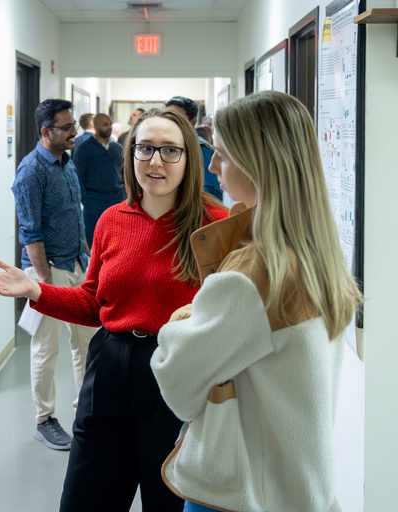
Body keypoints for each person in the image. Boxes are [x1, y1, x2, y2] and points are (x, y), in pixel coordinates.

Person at [0, 108, 228, 511]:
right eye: (144, 148)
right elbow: (94, 302)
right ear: (130, 156)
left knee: (168, 502)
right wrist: (36, 290)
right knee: (84, 499)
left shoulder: (215, 224)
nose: (155, 161)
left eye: (170, 150)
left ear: (189, 158)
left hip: (177, 375)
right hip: (108, 368)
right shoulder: (112, 220)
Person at [151, 91, 363, 512]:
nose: (212, 166)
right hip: (298, 485)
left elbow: (176, 380)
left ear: (258, 165)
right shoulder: (316, 252)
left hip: (241, 495)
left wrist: (182, 319)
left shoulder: (254, 273)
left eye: (224, 155)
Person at [8, 98, 97, 451]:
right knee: (47, 347)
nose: (75, 132)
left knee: (88, 341)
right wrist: (43, 283)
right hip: (47, 270)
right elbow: (30, 232)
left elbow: (75, 216)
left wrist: (87, 256)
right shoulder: (31, 171)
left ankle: (87, 409)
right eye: (67, 127)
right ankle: (45, 419)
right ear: (46, 132)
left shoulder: (66, 163)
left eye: (74, 124)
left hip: (76, 263)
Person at [72, 113, 125, 247]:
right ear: (95, 126)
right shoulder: (84, 148)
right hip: (93, 201)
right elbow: (78, 177)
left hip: (116, 200)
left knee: (117, 241)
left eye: (110, 124)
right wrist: (85, 199)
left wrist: (125, 196)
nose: (109, 128)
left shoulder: (117, 149)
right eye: (105, 124)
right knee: (95, 242)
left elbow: (125, 174)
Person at [165, 96, 222, 202]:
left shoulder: (200, 149)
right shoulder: (167, 146)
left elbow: (213, 195)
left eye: (177, 118)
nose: (170, 123)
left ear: (193, 121)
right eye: (167, 117)